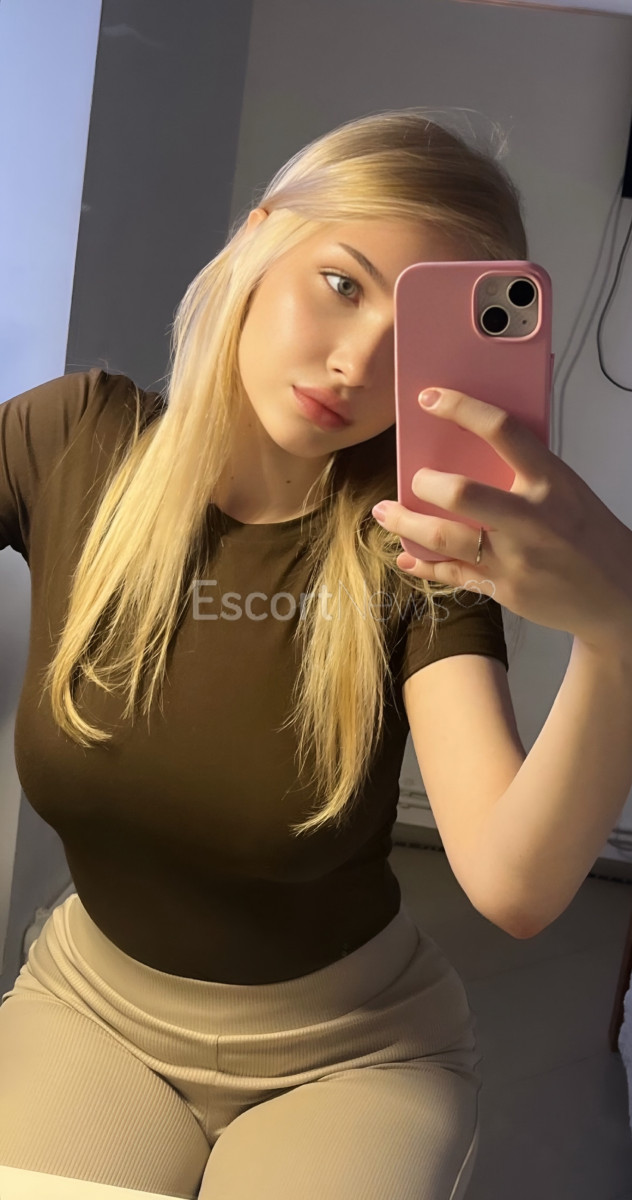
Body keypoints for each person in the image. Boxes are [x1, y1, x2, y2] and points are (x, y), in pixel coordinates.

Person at [0, 108, 526, 1199]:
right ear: (260, 238)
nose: (357, 362)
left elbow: (510, 881)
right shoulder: (73, 440)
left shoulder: (414, 552)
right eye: (341, 283)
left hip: (354, 1053)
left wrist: (624, 628)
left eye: (414, 340)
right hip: (88, 1008)